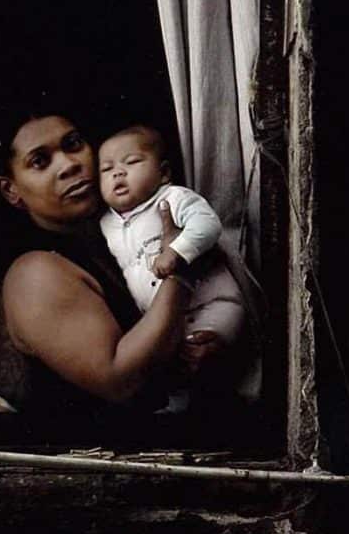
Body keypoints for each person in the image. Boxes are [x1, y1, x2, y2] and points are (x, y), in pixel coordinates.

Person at [0, 113, 198, 435]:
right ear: (10, 190)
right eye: (40, 161)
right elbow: (119, 380)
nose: (69, 164)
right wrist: (181, 267)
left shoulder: (120, 238)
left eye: (73, 144)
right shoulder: (35, 273)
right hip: (107, 466)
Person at [97, 124, 249, 412]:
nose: (118, 172)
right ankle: (180, 407)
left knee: (204, 351)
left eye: (132, 162)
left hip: (211, 304)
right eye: (106, 169)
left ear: (163, 173)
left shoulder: (172, 198)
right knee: (173, 367)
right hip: (163, 316)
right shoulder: (105, 224)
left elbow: (208, 224)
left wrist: (177, 251)